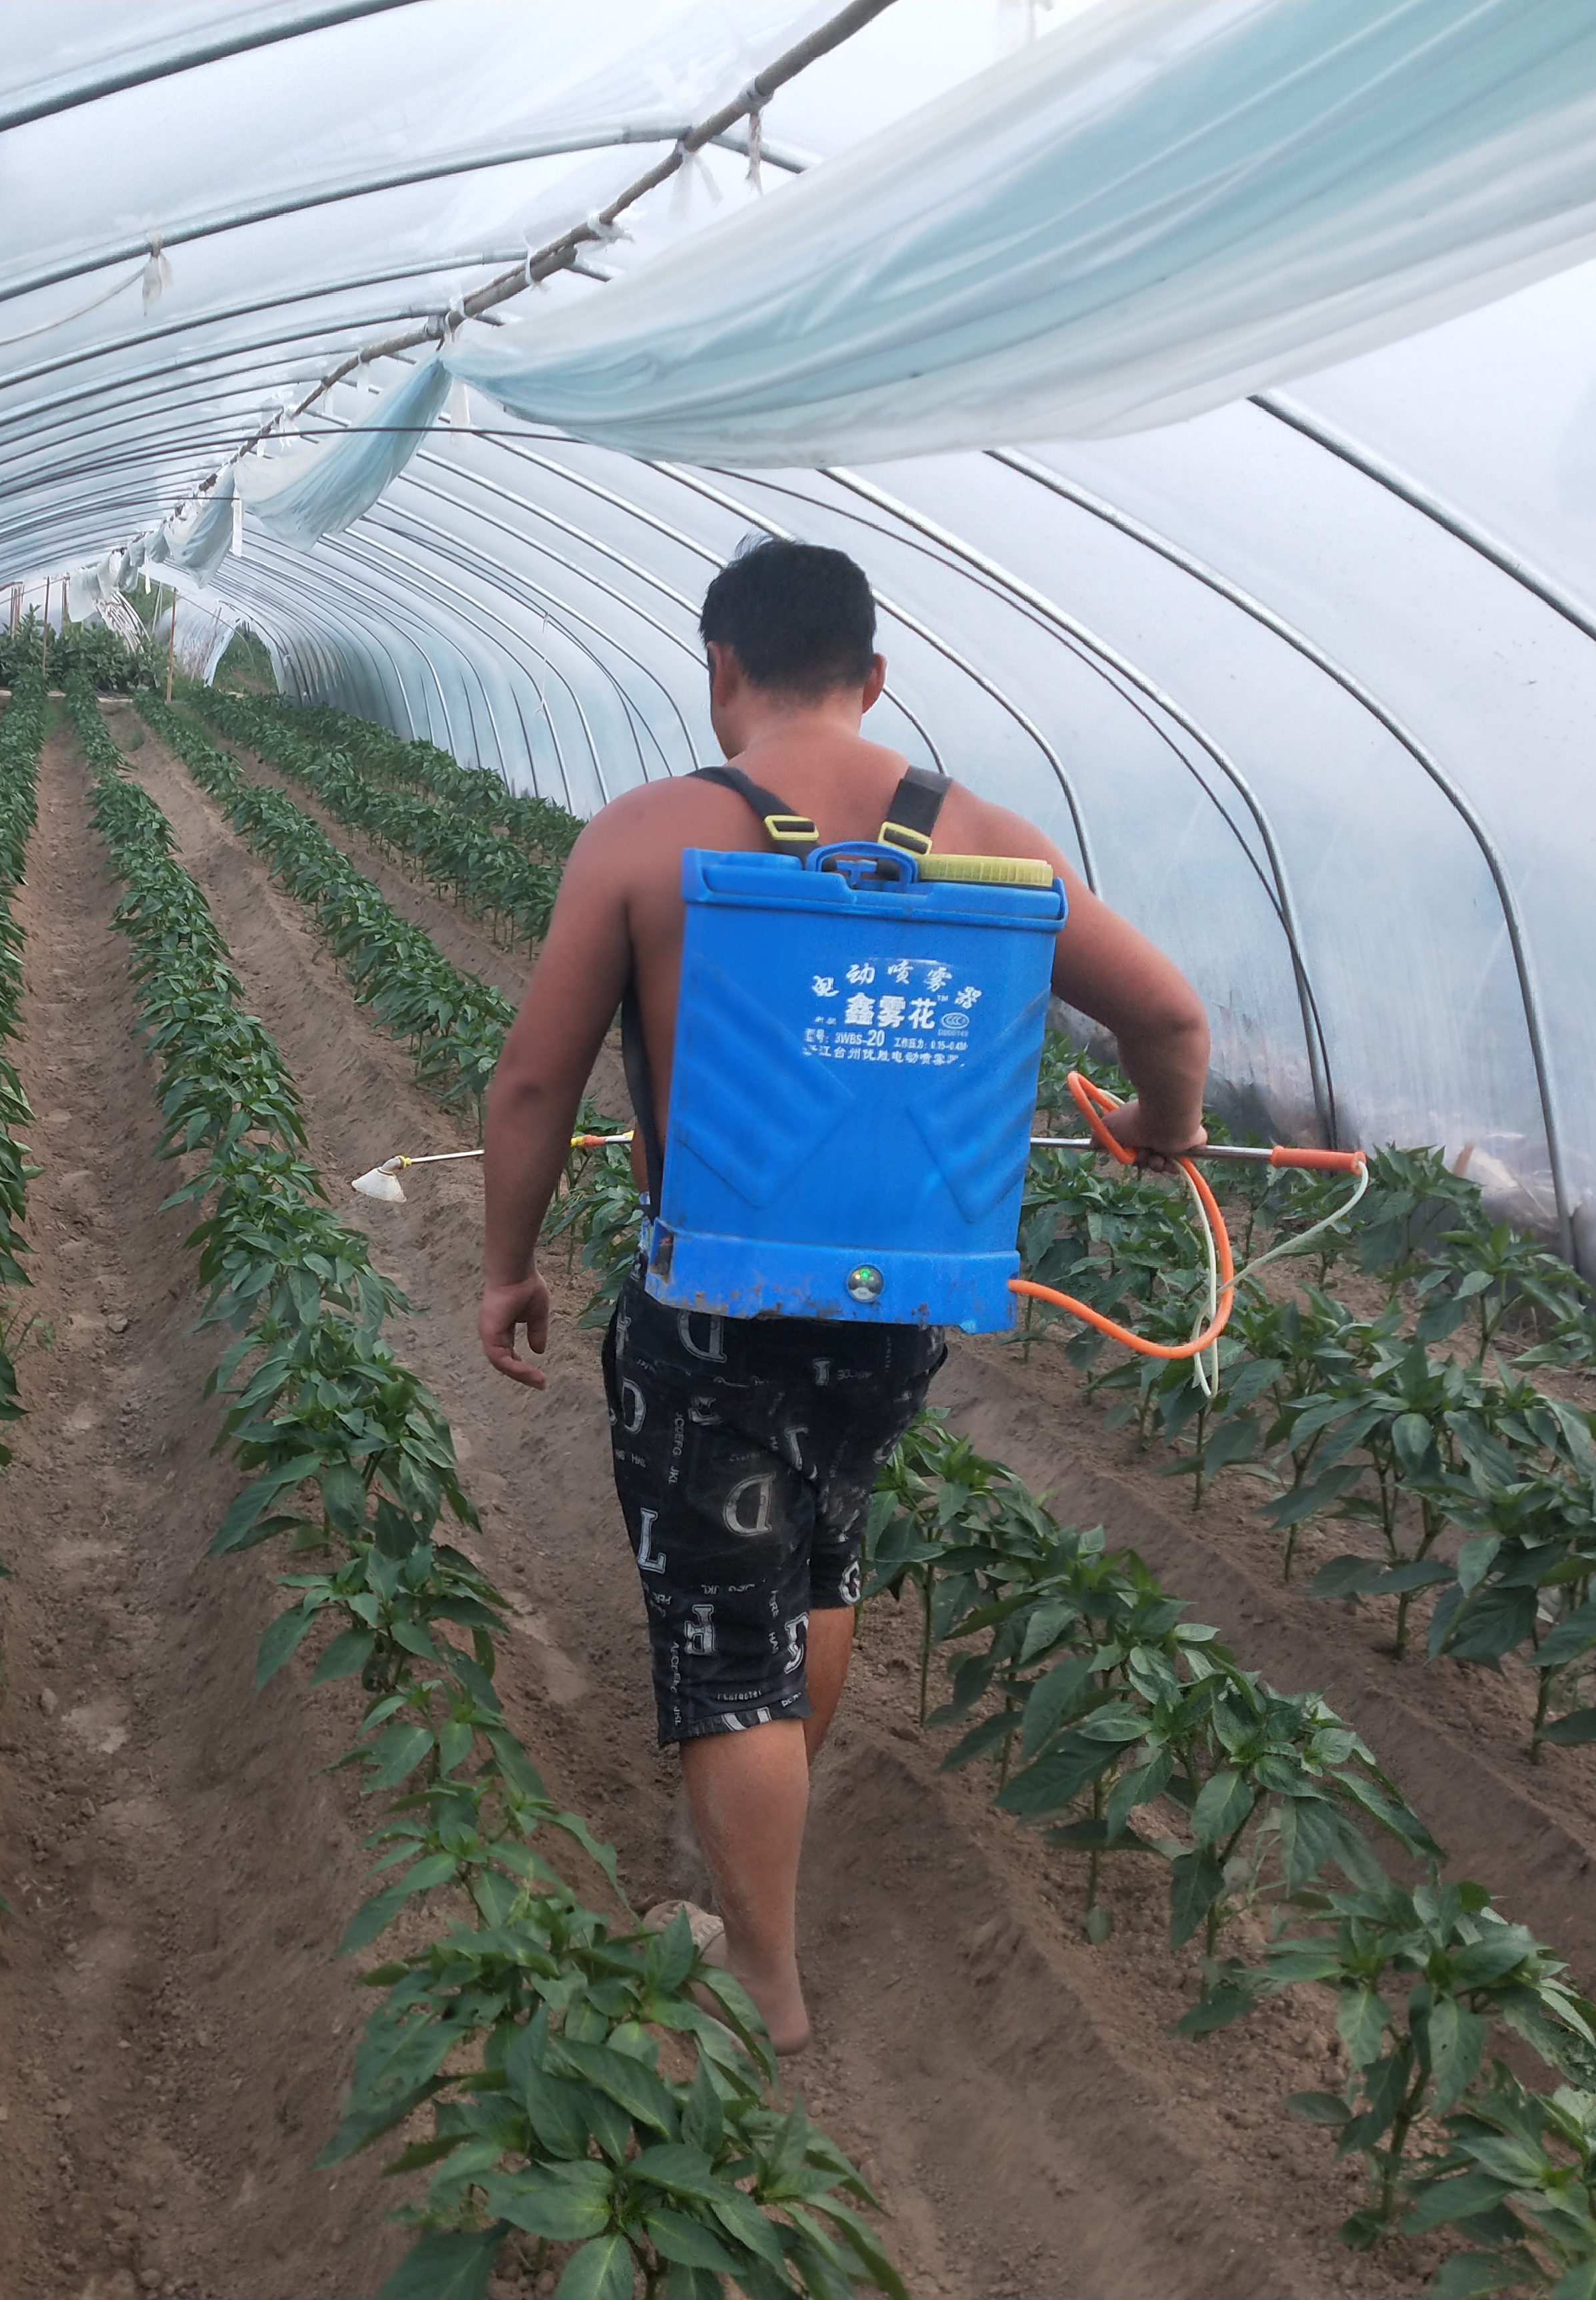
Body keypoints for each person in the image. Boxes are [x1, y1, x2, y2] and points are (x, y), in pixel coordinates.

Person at [475, 537, 1210, 2054]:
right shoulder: (991, 837)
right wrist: (1159, 1132)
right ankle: (760, 1872)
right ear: (875, 682)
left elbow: (538, 1077)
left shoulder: (650, 835)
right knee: (816, 1563)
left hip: (715, 1306)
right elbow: (1170, 1013)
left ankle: (761, 1977)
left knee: (720, 1621)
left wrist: (507, 1265)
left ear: (721, 670)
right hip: (894, 1310)